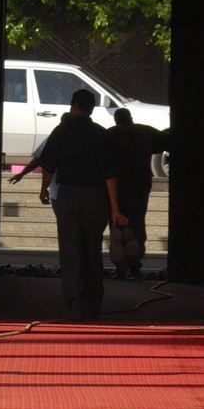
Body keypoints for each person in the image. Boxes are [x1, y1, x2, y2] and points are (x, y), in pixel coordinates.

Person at [34, 87, 125, 321]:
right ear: (92, 109)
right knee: (92, 249)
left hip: (69, 196)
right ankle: (93, 302)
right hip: (96, 198)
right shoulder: (101, 135)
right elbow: (110, 174)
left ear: (73, 105)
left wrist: (44, 190)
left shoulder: (62, 131)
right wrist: (115, 209)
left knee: (70, 249)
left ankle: (74, 304)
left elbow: (48, 166)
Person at [106, 106, 159, 277]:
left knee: (116, 223)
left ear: (116, 120)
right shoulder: (145, 132)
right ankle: (135, 263)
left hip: (116, 186)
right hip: (140, 186)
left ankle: (120, 265)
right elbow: (166, 140)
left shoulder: (109, 134)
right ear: (131, 118)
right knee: (137, 221)